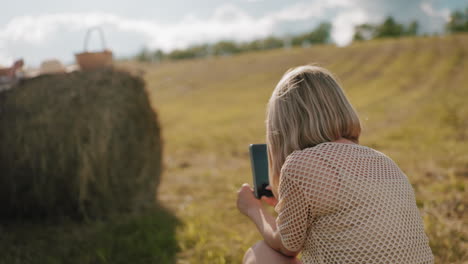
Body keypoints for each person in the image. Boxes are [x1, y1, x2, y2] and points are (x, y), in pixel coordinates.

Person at [237, 65, 434, 264]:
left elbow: (288, 247)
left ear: (282, 127)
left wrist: (254, 209)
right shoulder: (383, 160)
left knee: (261, 253)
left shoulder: (300, 164)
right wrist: (286, 203)